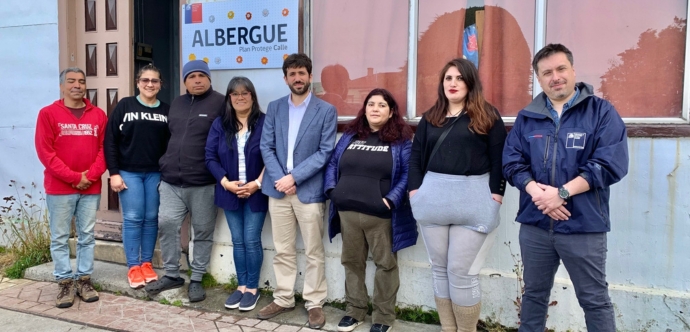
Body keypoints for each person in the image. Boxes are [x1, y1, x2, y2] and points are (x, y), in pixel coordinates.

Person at [502, 43, 628, 332]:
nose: (555, 77)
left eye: (560, 69)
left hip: (583, 225)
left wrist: (561, 194)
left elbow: (610, 163)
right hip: (535, 225)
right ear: (538, 78)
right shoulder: (527, 117)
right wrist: (536, 192)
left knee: (594, 299)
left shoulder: (601, 112)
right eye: (547, 72)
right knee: (533, 295)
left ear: (573, 71)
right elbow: (511, 162)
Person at [408, 58, 506, 332]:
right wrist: (415, 192)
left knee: (461, 273)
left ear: (470, 82)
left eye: (460, 78)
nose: (453, 83)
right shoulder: (430, 118)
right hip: (432, 201)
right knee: (439, 270)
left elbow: (500, 161)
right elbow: (415, 158)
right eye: (448, 78)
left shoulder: (488, 115)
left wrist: (496, 196)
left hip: (474, 201)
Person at [324, 88, 417, 332]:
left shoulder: (400, 141)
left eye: (381, 105)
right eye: (371, 104)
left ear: (391, 112)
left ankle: (383, 317)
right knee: (352, 263)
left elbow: (408, 174)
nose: (375, 109)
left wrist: (391, 200)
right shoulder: (351, 135)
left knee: (385, 265)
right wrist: (333, 192)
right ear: (364, 108)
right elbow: (333, 163)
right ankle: (355, 312)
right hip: (348, 213)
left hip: (381, 216)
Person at [257, 53, 337, 329]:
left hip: (309, 190)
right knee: (283, 249)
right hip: (278, 191)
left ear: (310, 76)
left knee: (314, 250)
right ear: (285, 78)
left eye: (302, 73)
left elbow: (325, 152)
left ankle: (314, 302)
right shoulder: (275, 107)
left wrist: (294, 177)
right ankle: (283, 297)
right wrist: (281, 179)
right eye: (292, 74)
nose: (297, 78)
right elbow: (266, 146)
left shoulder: (326, 110)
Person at [144, 60, 225, 302]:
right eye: (191, 76)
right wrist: (164, 162)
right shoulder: (176, 104)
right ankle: (172, 274)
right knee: (167, 224)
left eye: (202, 75)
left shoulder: (221, 103)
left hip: (203, 182)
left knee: (201, 230)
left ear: (209, 79)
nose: (197, 80)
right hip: (171, 181)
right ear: (185, 81)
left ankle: (197, 278)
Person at [35, 67, 107, 308]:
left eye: (81, 81)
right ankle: (65, 282)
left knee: (87, 236)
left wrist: (90, 176)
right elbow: (46, 153)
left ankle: (84, 280)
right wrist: (74, 177)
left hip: (90, 188)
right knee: (60, 237)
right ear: (62, 86)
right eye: (71, 81)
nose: (77, 85)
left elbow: (104, 150)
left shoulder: (98, 115)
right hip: (60, 188)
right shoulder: (48, 114)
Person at [104, 64, 170, 289]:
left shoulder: (166, 111)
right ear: (137, 82)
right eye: (145, 80)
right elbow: (110, 140)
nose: (150, 84)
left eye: (154, 80)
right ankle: (133, 266)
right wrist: (113, 173)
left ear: (161, 84)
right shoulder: (125, 105)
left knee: (151, 218)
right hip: (128, 172)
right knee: (133, 218)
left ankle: (146, 264)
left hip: (155, 173)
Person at [205, 76, 267, 311]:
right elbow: (210, 156)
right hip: (229, 191)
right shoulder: (220, 124)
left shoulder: (264, 122)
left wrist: (257, 184)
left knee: (251, 240)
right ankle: (241, 286)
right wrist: (225, 183)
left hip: (257, 192)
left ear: (252, 95)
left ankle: (252, 288)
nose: (240, 98)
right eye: (235, 94)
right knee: (238, 241)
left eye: (245, 93)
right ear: (229, 98)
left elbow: (272, 156)